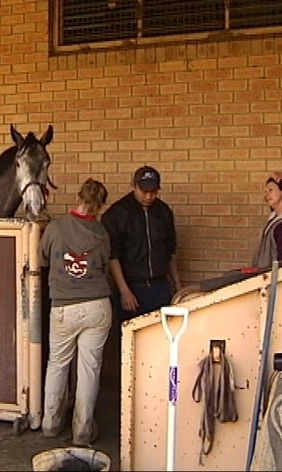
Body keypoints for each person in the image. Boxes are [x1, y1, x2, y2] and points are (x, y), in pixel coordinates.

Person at [39, 177, 112, 446]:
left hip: (63, 306)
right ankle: (82, 432)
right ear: (101, 205)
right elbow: (104, 268)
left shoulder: (56, 227)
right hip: (97, 305)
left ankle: (51, 424)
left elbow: (43, 258)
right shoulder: (102, 233)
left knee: (57, 365)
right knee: (89, 370)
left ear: (78, 197)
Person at [174, 171, 282, 301]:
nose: (267, 196)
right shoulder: (276, 220)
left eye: (271, 190)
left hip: (274, 287)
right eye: (266, 191)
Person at [101, 166, 181, 322]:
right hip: (132, 285)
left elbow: (170, 251)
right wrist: (124, 290)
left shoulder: (163, 211)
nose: (149, 196)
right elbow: (112, 255)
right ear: (133, 186)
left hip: (160, 284)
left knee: (162, 334)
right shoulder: (118, 213)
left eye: (153, 192)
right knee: (131, 337)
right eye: (144, 191)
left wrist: (177, 285)